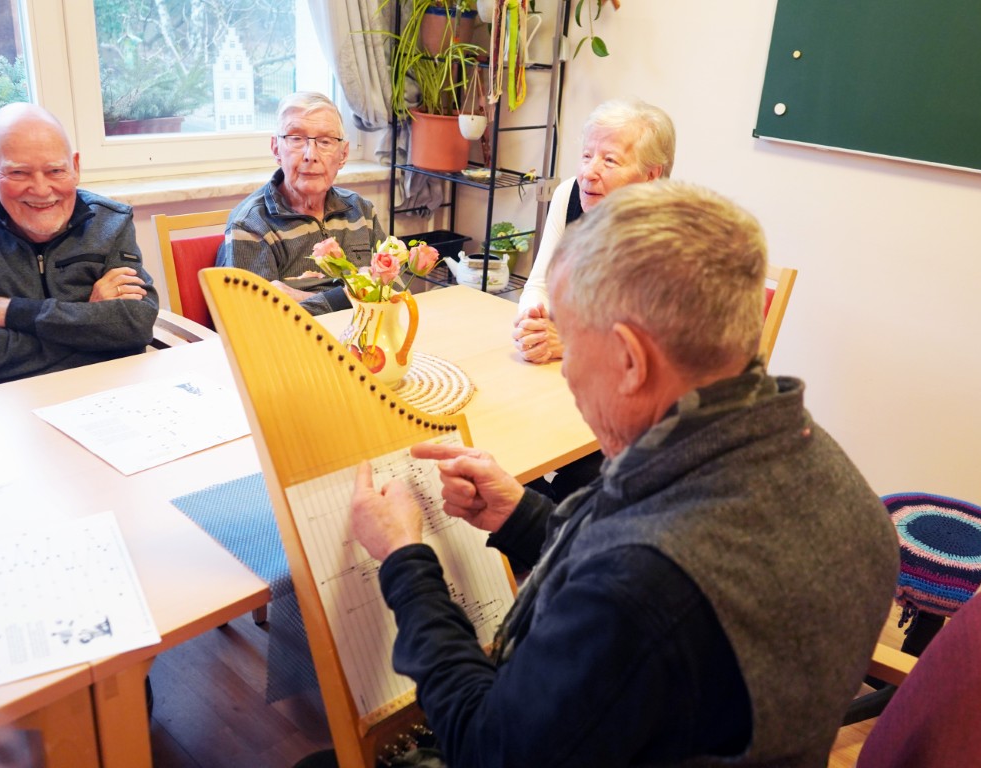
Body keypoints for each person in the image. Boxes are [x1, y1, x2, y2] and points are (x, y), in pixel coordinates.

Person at [347, 181, 900, 767]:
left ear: (631, 360)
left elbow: (489, 748)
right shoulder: (836, 480)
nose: (566, 372)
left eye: (570, 344)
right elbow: (642, 551)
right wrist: (523, 514)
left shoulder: (642, 587)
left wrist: (405, 558)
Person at [0, 103, 159, 392]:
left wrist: (17, 313)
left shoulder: (111, 221)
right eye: (18, 173)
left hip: (104, 392)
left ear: (75, 167)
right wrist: (90, 330)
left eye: (55, 171)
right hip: (2, 406)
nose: (41, 190)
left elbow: (136, 324)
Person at [512, 97, 675, 364]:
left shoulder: (672, 233)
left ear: (651, 175)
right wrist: (533, 326)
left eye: (609, 161)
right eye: (587, 156)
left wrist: (569, 343)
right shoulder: (569, 195)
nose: (588, 172)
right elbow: (540, 284)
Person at [215, 91, 386, 316]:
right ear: (276, 149)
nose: (310, 155)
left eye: (325, 141)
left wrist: (303, 297)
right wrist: (357, 291)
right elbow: (259, 319)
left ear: (343, 154)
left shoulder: (362, 211)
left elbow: (395, 290)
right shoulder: (250, 225)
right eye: (296, 139)